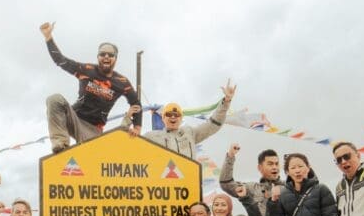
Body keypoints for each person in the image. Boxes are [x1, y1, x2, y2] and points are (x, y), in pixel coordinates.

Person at [39, 21, 142, 153]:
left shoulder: (122, 81)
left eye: (110, 55)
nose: (106, 57)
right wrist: (48, 37)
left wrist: (137, 127)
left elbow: (136, 104)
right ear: (98, 57)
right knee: (54, 99)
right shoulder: (86, 70)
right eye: (102, 54)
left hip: (93, 129)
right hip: (74, 119)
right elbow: (61, 61)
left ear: (115, 59)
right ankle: (61, 145)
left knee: (96, 154)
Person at [142, 81, 235, 160]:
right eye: (169, 114)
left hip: (189, 180)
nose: (173, 117)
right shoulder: (152, 137)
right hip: (164, 180)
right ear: (163, 118)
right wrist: (128, 119)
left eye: (177, 115)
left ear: (181, 118)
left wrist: (226, 101)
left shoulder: (189, 133)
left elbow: (213, 125)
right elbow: (131, 145)